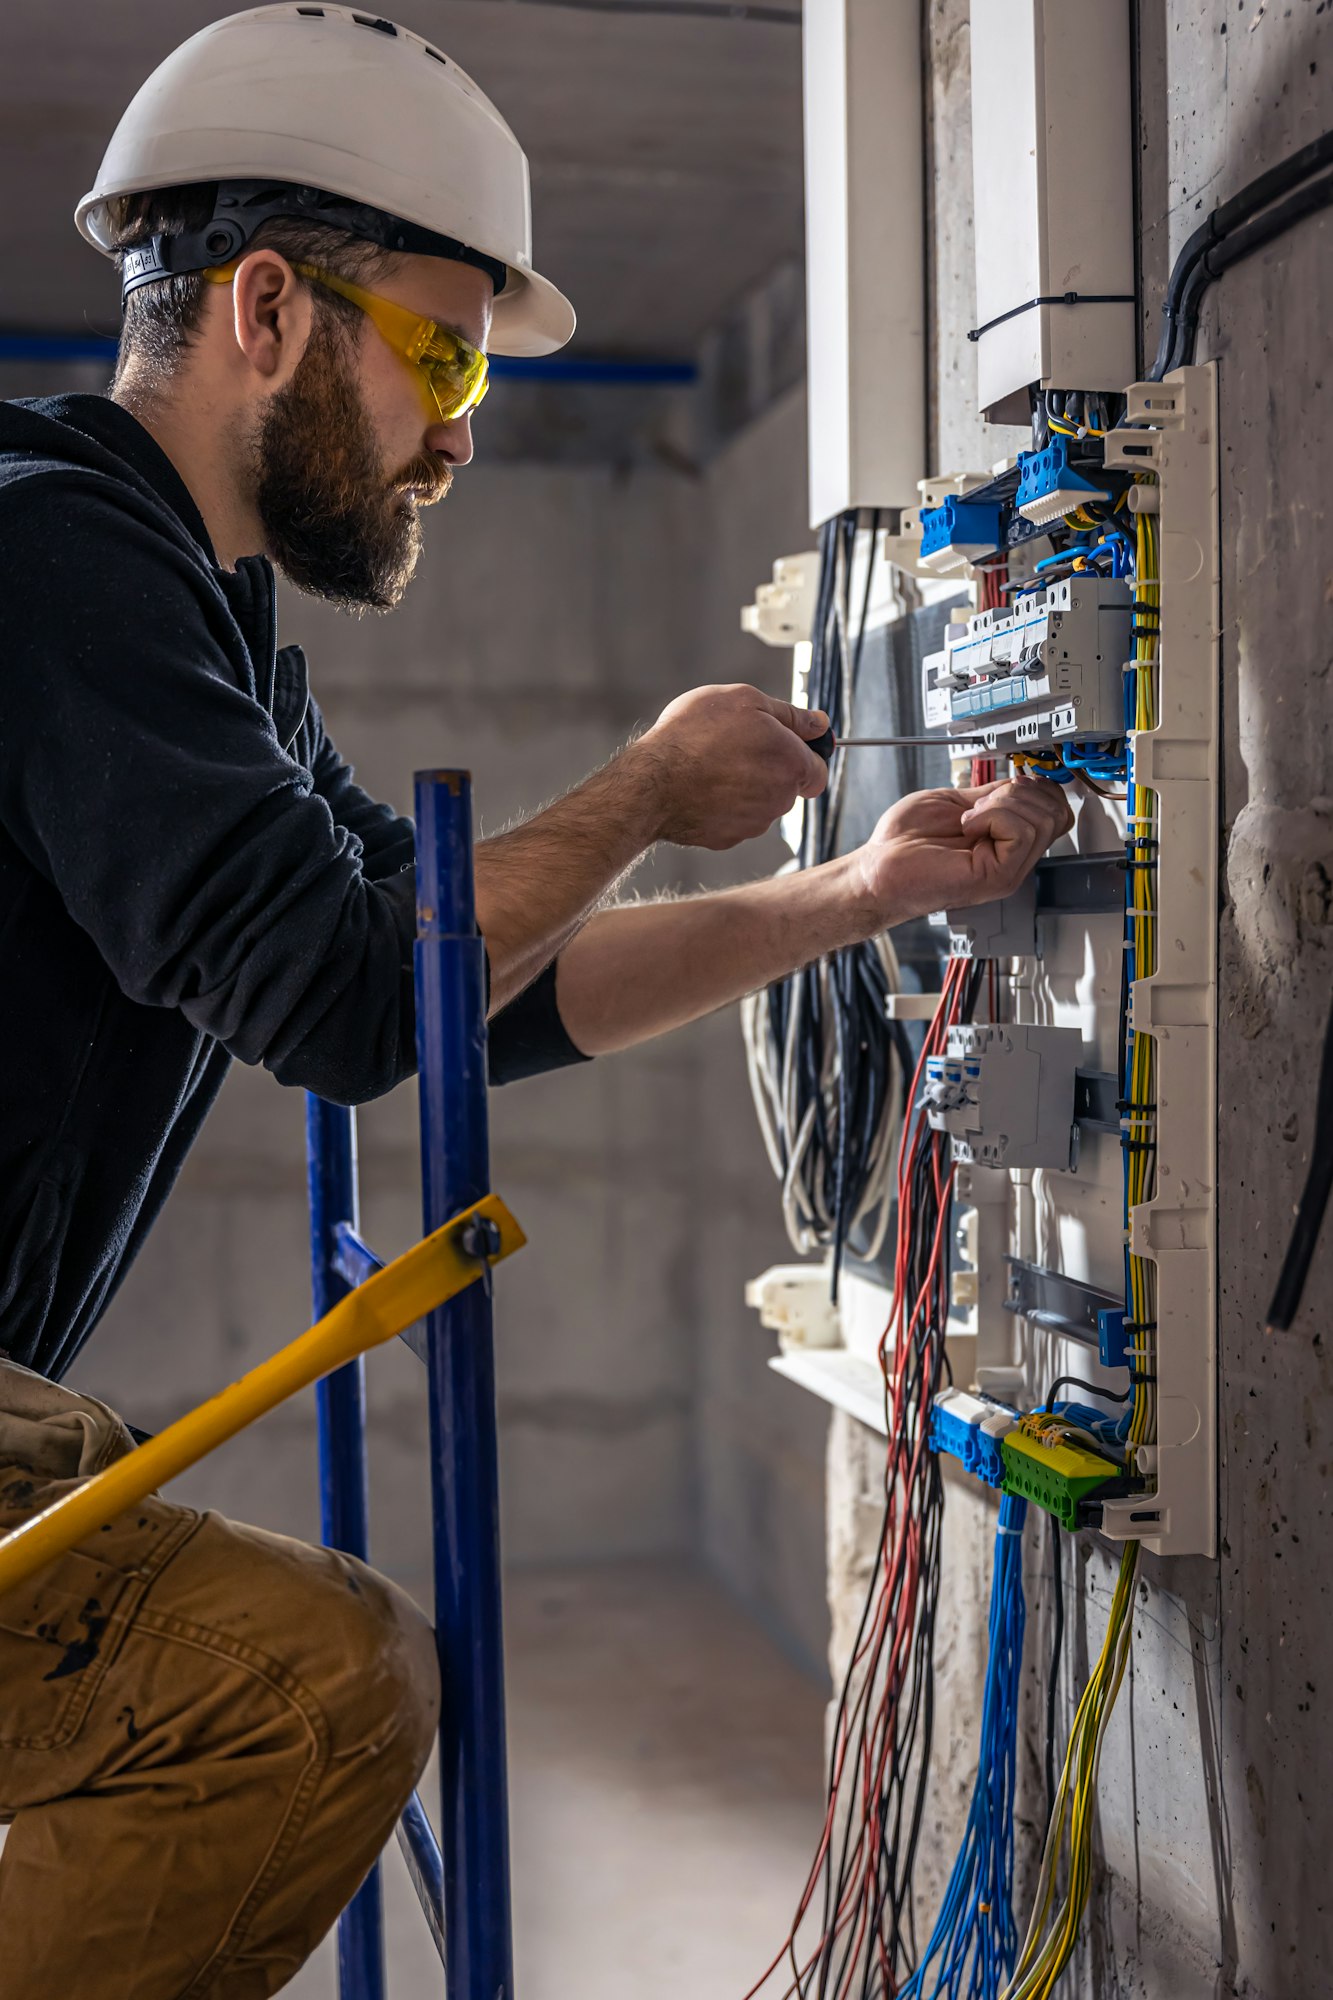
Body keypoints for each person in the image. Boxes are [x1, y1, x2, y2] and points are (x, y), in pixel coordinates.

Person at [0, 7, 1072, 1993]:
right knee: (312, 1689)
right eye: (445, 350)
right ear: (265, 309)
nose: (463, 427)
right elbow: (341, 993)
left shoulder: (194, 610)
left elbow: (445, 993)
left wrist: (847, 888)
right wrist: (647, 789)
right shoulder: (47, 553)